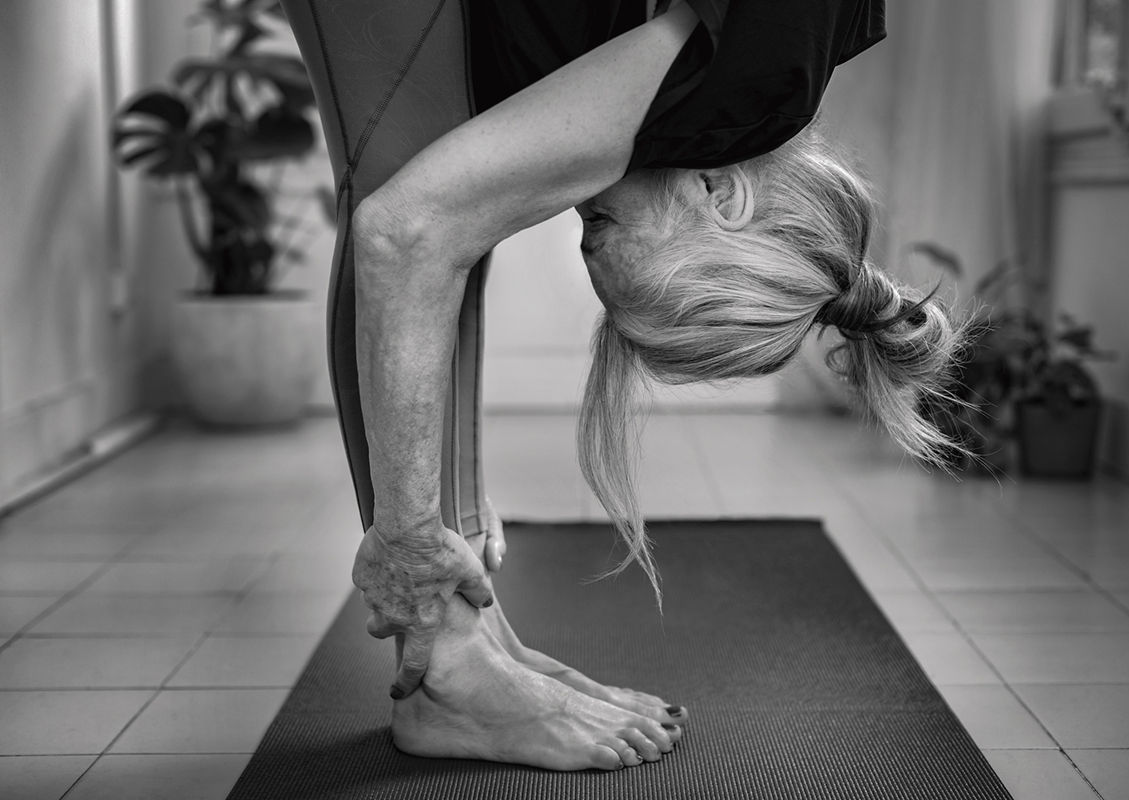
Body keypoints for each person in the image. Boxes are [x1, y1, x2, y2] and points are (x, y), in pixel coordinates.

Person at [282, 0, 966, 771]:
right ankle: (448, 675)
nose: (582, 237)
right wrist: (406, 536)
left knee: (452, 203)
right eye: (601, 230)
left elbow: (449, 226)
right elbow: (402, 235)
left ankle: (469, 644)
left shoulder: (761, 68)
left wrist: (452, 513)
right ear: (723, 196)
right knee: (415, 207)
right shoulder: (733, 78)